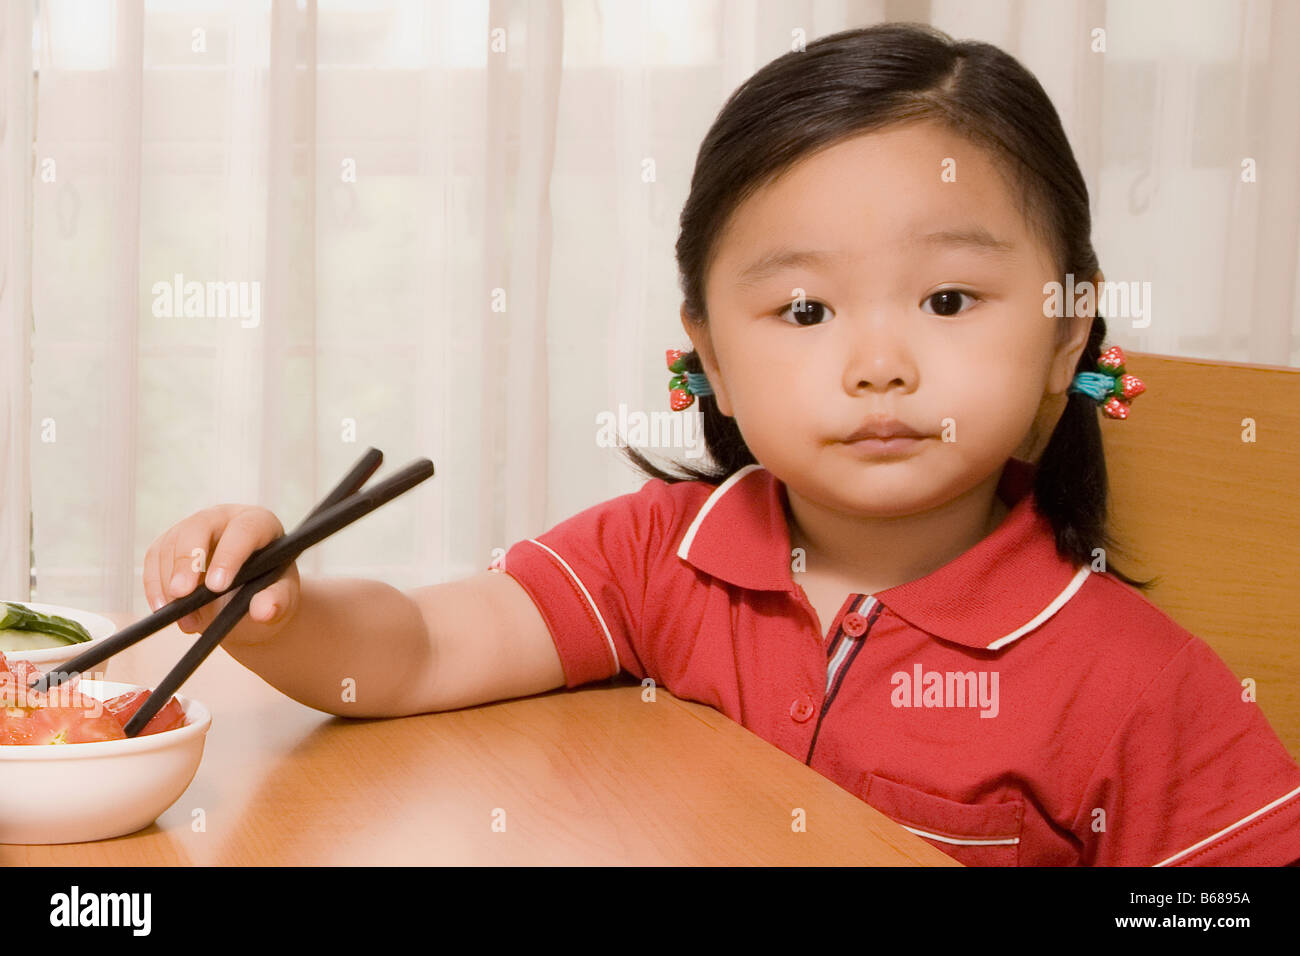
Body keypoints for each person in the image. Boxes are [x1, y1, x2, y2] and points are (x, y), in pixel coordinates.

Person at [144, 23, 1300, 866]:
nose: (878, 362)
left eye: (949, 300)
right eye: (803, 311)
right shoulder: (662, 555)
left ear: (1066, 329)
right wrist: (276, 606)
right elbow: (414, 653)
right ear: (705, 350)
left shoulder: (1132, 677)